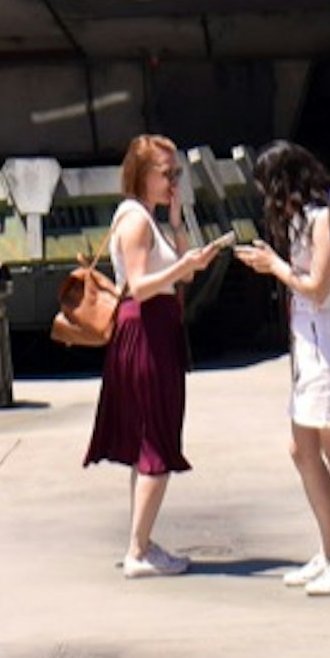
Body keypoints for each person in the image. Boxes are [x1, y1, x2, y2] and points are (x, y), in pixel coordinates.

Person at [85, 132, 226, 576]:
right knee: (157, 442)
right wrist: (186, 265)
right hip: (146, 330)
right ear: (141, 174)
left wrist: (179, 222)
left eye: (176, 173)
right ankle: (139, 551)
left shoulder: (148, 218)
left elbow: (172, 272)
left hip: (156, 329)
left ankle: (140, 543)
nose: (173, 181)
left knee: (150, 440)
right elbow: (143, 285)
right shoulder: (136, 222)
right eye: (167, 174)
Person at [236, 138, 330, 594]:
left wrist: (273, 266)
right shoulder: (296, 222)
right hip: (307, 341)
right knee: (302, 449)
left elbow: (317, 286)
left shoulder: (322, 219)